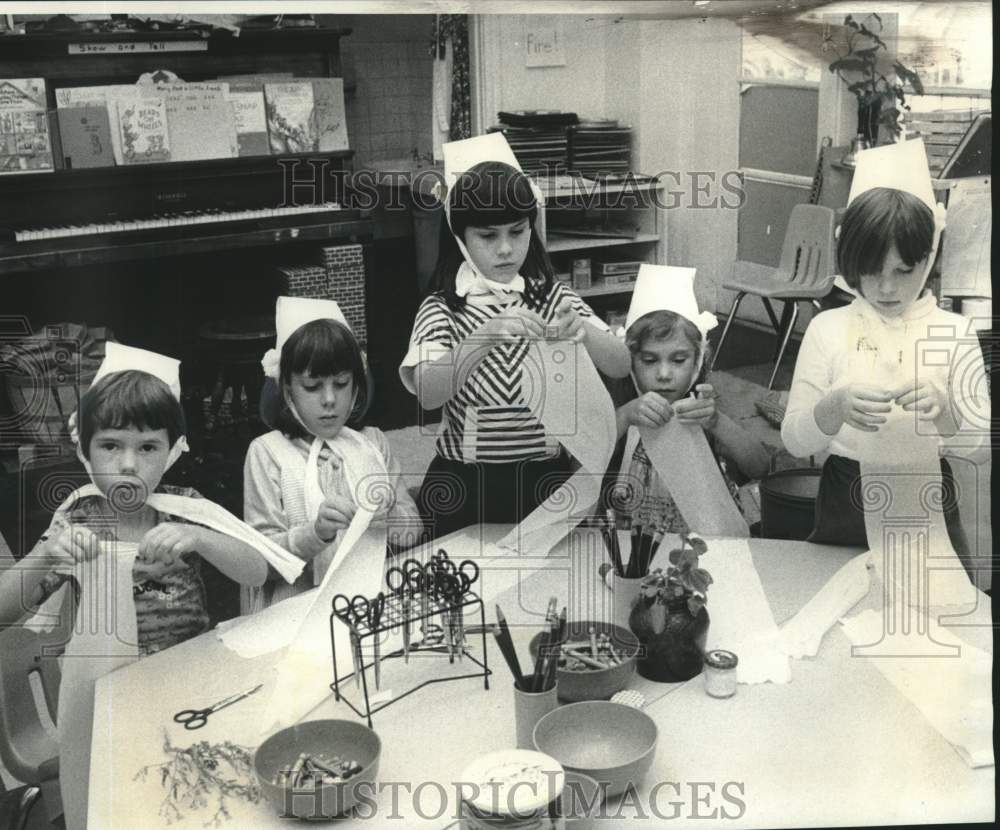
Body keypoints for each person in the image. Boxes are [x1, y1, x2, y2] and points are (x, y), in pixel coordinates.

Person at [399, 133, 631, 538]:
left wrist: (586, 335)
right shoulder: (444, 307)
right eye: (488, 236)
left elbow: (621, 363)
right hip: (465, 482)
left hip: (545, 477)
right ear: (461, 237)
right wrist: (481, 338)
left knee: (547, 579)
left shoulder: (551, 295)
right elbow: (428, 392)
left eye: (517, 231)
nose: (505, 249)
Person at [781, 138, 987, 559]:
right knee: (840, 607)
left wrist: (946, 412)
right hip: (846, 494)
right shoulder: (828, 328)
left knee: (930, 610)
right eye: (871, 272)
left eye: (903, 270)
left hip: (926, 492)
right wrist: (832, 408)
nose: (887, 287)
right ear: (848, 262)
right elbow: (794, 442)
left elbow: (980, 448)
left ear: (929, 258)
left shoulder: (955, 331)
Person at [0, 345, 268, 654]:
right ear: (85, 451)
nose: (129, 464)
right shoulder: (75, 523)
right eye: (111, 446)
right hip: (111, 674)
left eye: (147, 448)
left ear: (171, 453)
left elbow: (256, 573)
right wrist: (46, 554)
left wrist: (200, 537)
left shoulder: (186, 510)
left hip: (190, 664)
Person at [244, 296, 420, 611]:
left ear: (357, 387)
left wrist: (389, 517)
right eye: (312, 387)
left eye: (341, 384)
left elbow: (413, 528)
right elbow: (260, 562)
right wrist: (315, 532)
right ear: (286, 390)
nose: (329, 399)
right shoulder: (268, 453)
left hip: (372, 599)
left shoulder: (373, 444)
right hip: (297, 610)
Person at [606, 265, 769, 533]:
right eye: (649, 360)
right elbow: (585, 463)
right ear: (630, 361)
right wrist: (624, 416)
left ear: (697, 361)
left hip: (702, 543)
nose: (664, 374)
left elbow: (760, 466)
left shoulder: (706, 406)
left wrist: (717, 421)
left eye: (679, 360)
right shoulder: (620, 404)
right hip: (629, 543)